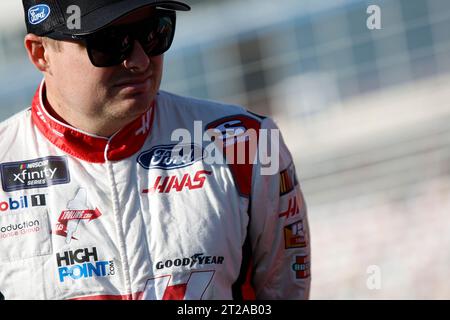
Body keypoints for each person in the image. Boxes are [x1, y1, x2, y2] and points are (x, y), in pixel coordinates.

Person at [0, 0, 311, 300]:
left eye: (154, 33)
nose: (140, 60)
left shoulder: (247, 143)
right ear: (41, 53)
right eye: (110, 42)